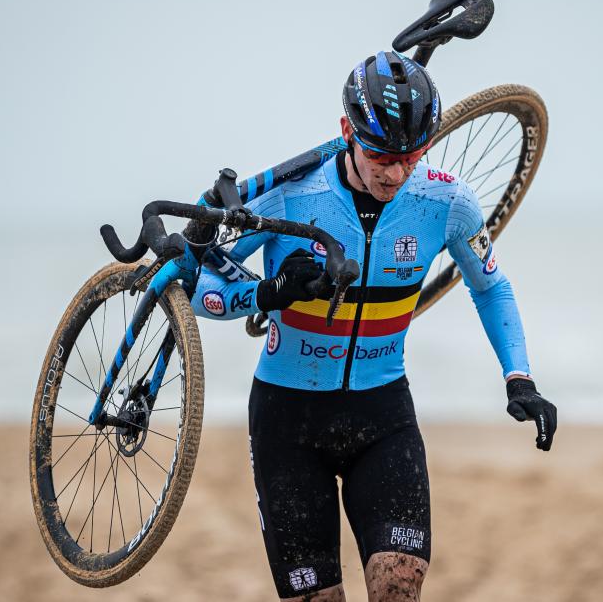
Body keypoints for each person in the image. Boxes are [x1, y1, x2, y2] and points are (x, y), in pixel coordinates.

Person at [191, 51, 557, 601]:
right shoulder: (293, 195)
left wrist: (519, 376)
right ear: (347, 131)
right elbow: (199, 286)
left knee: (399, 588)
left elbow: (490, 285)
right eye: (382, 156)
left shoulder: (446, 201)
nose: (396, 172)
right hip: (287, 424)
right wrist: (269, 292)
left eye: (411, 156)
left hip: (382, 416)